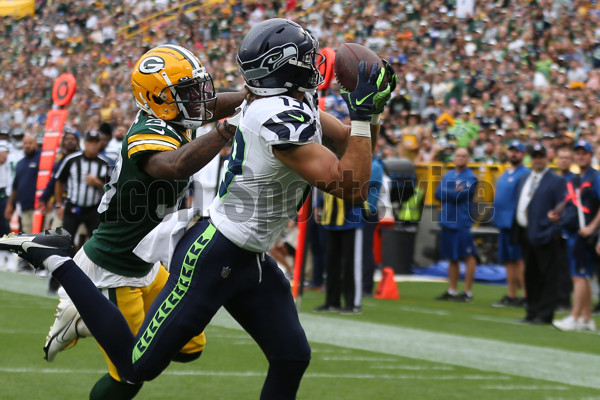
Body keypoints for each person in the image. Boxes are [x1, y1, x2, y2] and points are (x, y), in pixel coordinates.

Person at [0, 18, 395, 399]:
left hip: (251, 256)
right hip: (216, 252)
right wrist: (362, 113)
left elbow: (346, 141)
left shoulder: (286, 103)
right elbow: (353, 187)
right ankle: (57, 261)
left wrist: (371, 112)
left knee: (291, 356)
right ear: (285, 68)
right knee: (137, 368)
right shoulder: (273, 116)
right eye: (306, 59)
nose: (314, 66)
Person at [37, 44, 245, 400]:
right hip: (114, 266)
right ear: (158, 99)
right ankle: (86, 317)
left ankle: (84, 319)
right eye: (187, 92)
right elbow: (173, 166)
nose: (198, 98)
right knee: (131, 374)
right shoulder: (146, 132)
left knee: (190, 347)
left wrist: (250, 96)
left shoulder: (176, 114)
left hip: (145, 262)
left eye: (196, 88)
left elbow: (215, 105)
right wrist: (226, 131)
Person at [515, 143, 566, 325]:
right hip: (527, 234)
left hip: (545, 235)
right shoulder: (525, 178)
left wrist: (553, 231)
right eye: (534, 156)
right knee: (530, 275)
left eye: (540, 156)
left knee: (547, 276)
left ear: (547, 158)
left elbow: (563, 207)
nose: (537, 160)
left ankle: (544, 314)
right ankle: (532, 310)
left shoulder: (556, 180)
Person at [553, 140, 600, 331]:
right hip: (574, 232)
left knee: (579, 275)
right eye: (578, 153)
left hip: (585, 234)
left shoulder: (595, 177)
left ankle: (574, 316)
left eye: (584, 153)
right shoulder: (574, 179)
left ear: (590, 155)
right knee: (582, 275)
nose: (581, 156)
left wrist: (592, 228)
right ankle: (587, 319)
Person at [53, 129, 111, 252]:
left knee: (96, 241)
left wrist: (99, 184)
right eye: (91, 141)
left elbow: (111, 189)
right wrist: (58, 205)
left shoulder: (104, 163)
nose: (93, 144)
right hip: (73, 206)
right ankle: (63, 268)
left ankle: (90, 270)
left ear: (100, 144)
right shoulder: (71, 160)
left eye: (96, 141)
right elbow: (59, 181)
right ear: (85, 143)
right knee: (66, 240)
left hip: (93, 209)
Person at [434, 147, 478, 302]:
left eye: (464, 156)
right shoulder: (448, 175)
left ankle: (467, 292)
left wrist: (449, 191)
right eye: (458, 155)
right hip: (447, 219)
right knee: (451, 257)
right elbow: (437, 193)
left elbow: (461, 195)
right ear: (454, 158)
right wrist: (452, 191)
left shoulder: (471, 177)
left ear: (468, 159)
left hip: (461, 221)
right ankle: (452, 290)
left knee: (468, 255)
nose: (460, 158)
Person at [491, 140, 529, 307]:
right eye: (511, 151)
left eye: (517, 151)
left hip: (517, 223)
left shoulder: (525, 173)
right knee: (508, 260)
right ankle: (511, 295)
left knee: (520, 260)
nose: (514, 154)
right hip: (503, 223)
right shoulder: (505, 173)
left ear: (523, 154)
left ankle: (527, 295)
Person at [4, 134, 40, 235]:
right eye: (25, 143)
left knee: (39, 236)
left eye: (30, 143)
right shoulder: (21, 163)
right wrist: (10, 204)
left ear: (35, 144)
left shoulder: (41, 160)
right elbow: (15, 186)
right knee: (27, 235)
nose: (27, 146)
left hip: (38, 207)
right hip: (24, 207)